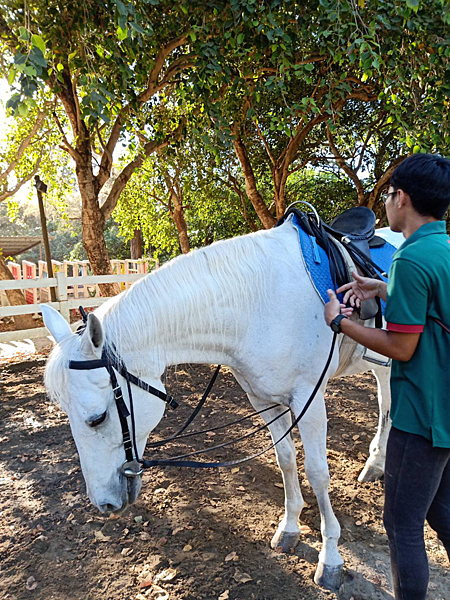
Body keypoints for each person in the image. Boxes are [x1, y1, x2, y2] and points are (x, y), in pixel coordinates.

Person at [324, 153, 450, 600]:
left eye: (390, 194)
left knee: (401, 524)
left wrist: (341, 324)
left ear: (405, 198)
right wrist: (384, 289)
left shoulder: (411, 260)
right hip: (445, 409)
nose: (387, 204)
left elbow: (401, 347)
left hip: (422, 415)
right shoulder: (442, 249)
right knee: (442, 513)